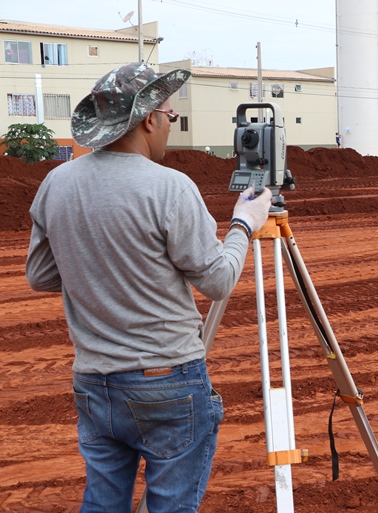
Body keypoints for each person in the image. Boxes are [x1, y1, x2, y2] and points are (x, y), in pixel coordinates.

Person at [25, 62, 271, 513]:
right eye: (171, 118)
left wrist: (94, 261)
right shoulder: (170, 187)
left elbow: (40, 276)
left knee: (102, 503)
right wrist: (244, 224)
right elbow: (217, 280)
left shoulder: (56, 182)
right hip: (166, 380)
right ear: (150, 119)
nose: (170, 130)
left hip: (94, 382)